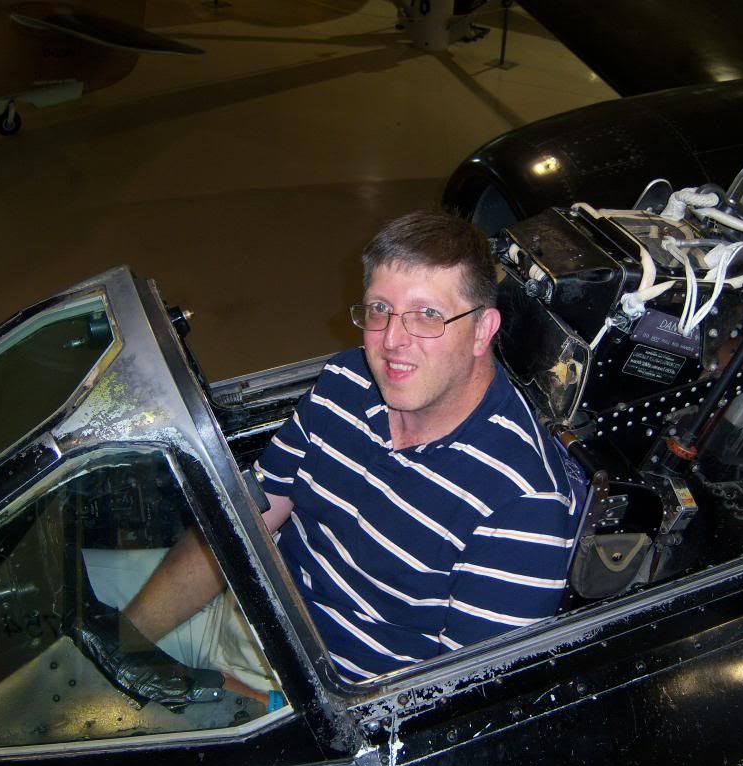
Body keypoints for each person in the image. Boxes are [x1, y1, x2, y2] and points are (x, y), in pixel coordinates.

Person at [79, 211, 580, 699]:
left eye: (428, 314)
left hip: (315, 704)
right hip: (247, 610)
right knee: (53, 613)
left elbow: (460, 704)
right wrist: (127, 647)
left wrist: (235, 702)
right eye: (379, 309)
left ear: (482, 330)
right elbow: (250, 518)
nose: (392, 342)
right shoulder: (347, 382)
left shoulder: (523, 504)